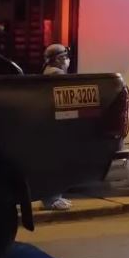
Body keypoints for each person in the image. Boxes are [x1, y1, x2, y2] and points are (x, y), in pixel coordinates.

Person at [41, 44, 73, 211]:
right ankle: (52, 199)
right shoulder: (56, 74)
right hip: (55, 124)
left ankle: (54, 196)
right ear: (59, 59)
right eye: (65, 57)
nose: (67, 60)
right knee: (55, 163)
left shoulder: (48, 72)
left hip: (50, 123)